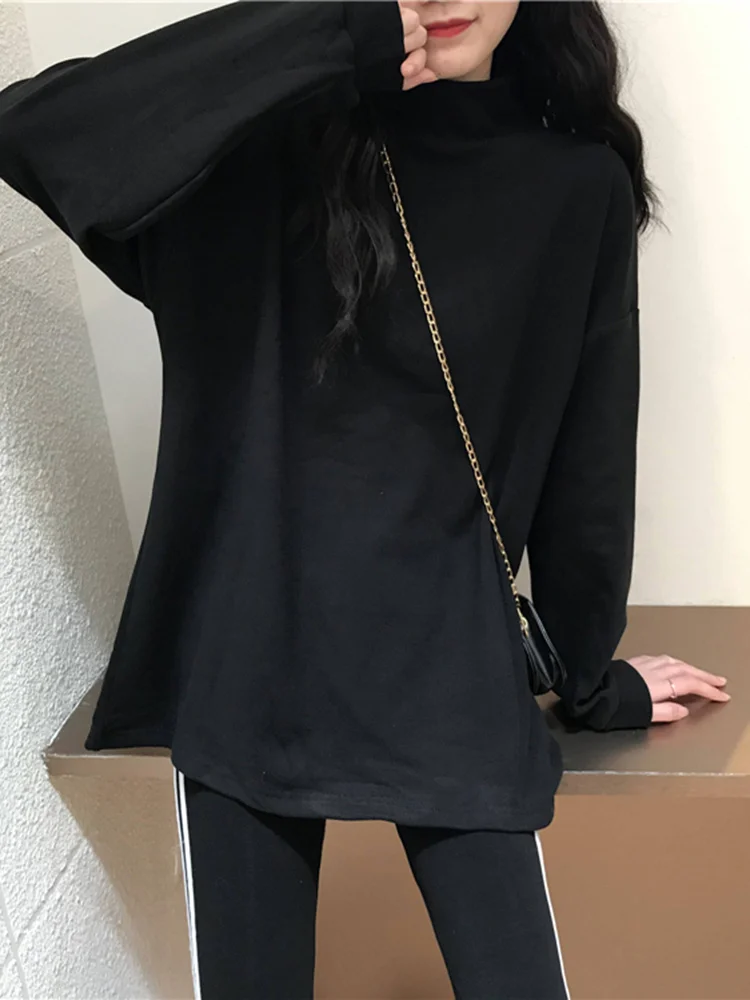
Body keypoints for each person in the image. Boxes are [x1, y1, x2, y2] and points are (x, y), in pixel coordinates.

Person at [0, 1, 731, 997]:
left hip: (441, 676)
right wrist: (334, 37)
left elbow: (587, 466)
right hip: (251, 673)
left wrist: (589, 678)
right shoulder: (260, 158)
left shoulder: (575, 184)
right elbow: (35, 129)